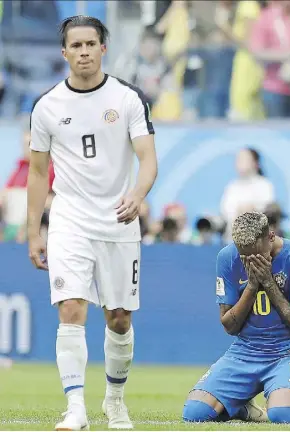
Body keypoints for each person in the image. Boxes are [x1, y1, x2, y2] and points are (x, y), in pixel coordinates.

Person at [27, 16, 158, 431]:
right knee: (71, 307)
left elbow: (148, 158)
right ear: (64, 53)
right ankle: (75, 408)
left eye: (90, 44)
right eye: (75, 45)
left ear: (104, 48)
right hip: (70, 221)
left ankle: (114, 401)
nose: (83, 52)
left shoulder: (128, 99)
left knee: (119, 317)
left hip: (119, 221)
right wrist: (34, 231)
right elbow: (36, 172)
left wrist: (137, 195)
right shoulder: (47, 106)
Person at [183, 212, 290, 424]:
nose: (250, 262)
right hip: (245, 351)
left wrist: (268, 282)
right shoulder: (227, 257)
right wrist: (253, 286)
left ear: (270, 237)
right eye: (244, 257)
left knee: (283, 415)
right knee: (194, 413)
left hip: (287, 350)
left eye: (256, 256)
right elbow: (229, 326)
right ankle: (240, 408)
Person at [220, 148, 275, 241]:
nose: (239, 163)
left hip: (258, 241)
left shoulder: (265, 185)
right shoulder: (232, 187)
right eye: (238, 160)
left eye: (244, 159)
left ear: (255, 163)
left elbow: (268, 211)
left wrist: (250, 210)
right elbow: (226, 212)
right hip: (232, 240)